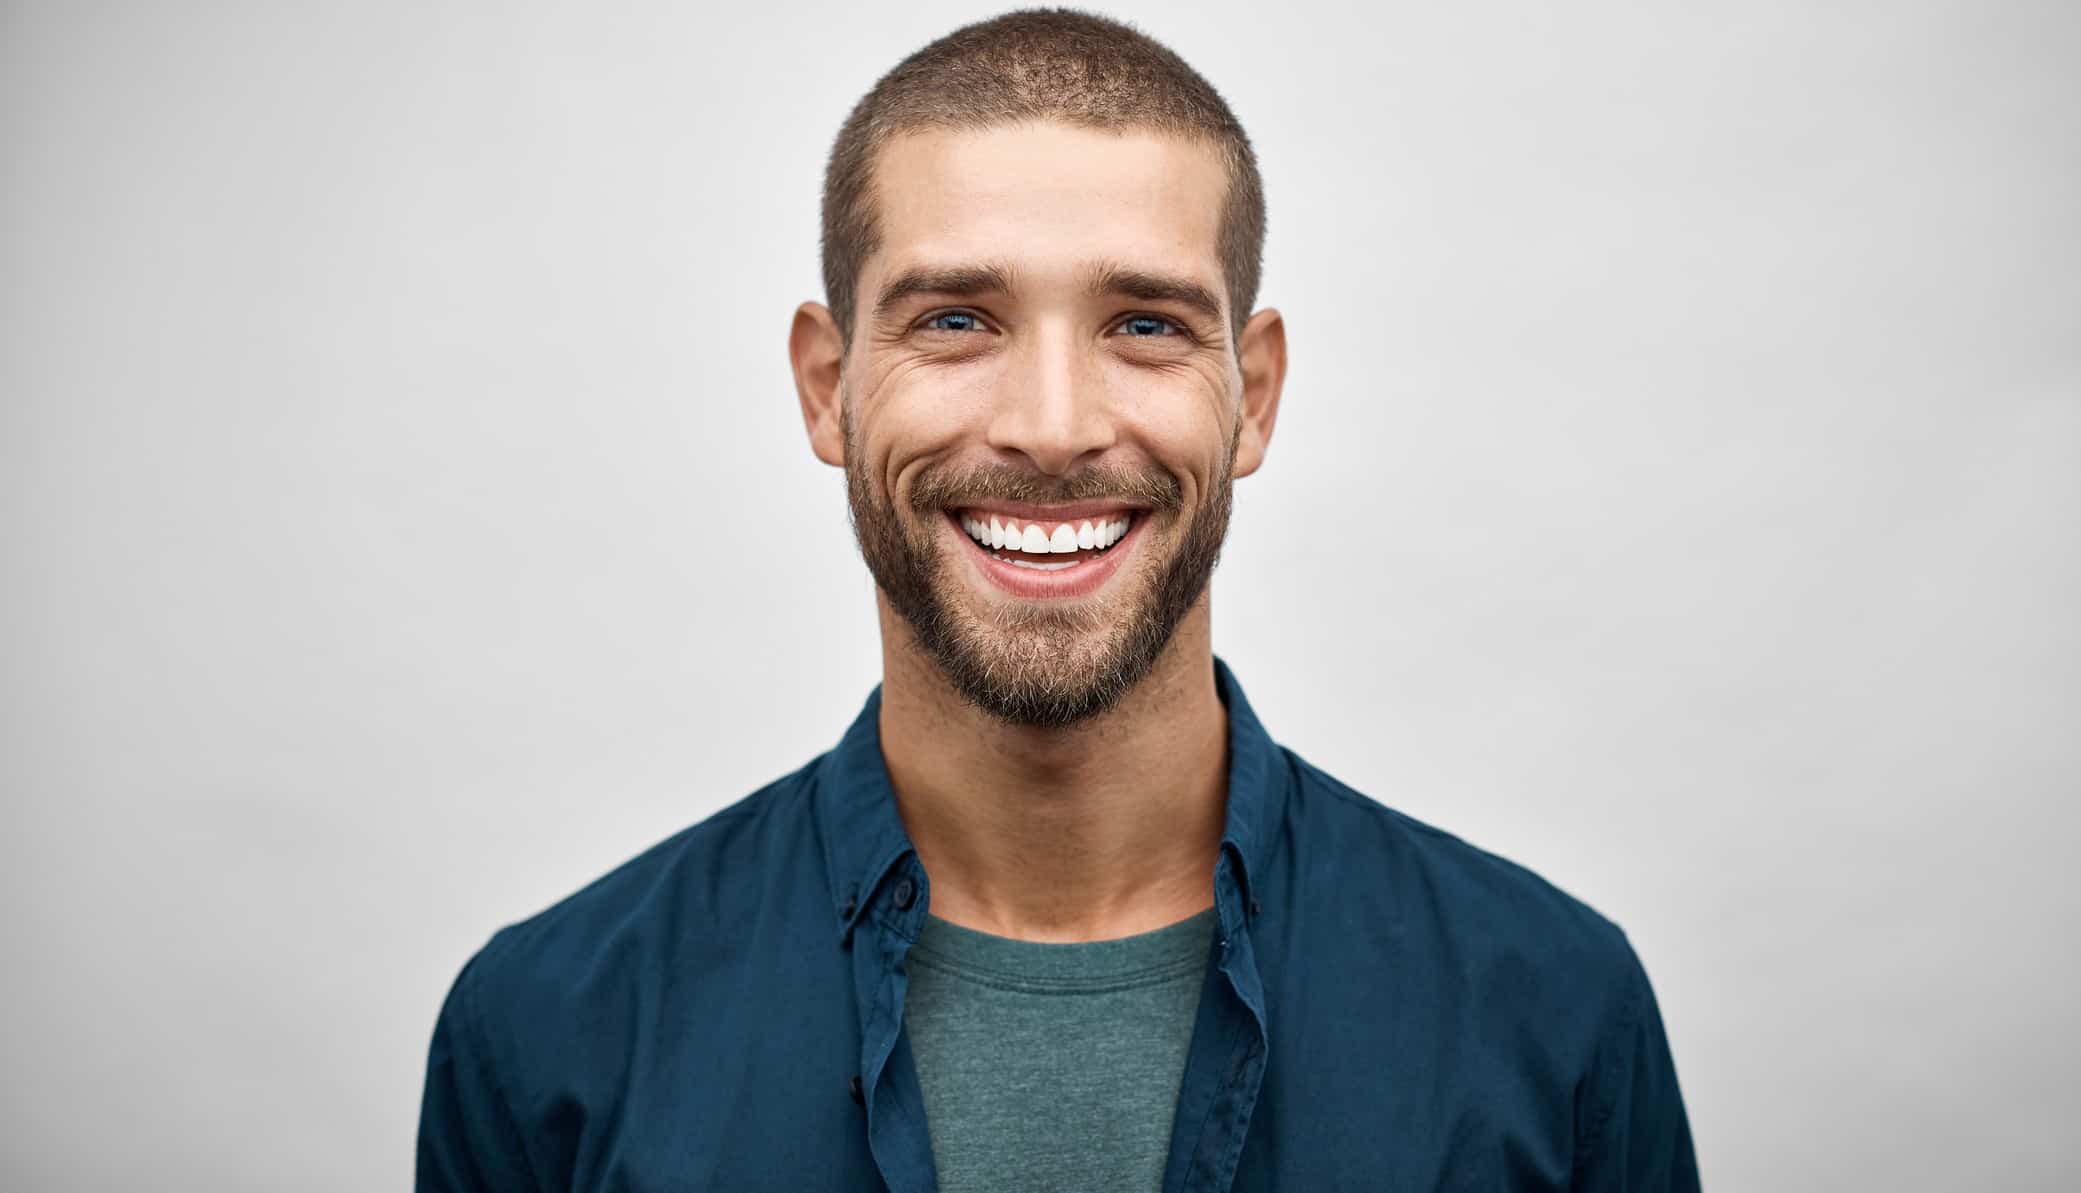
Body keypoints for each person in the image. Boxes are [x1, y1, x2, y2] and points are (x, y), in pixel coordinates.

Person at [415, 9, 1700, 1191]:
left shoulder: (1554, 1014)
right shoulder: (547, 1037)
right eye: (955, 320)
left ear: (1252, 396)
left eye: (1144, 324)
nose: (1051, 425)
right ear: (827, 387)